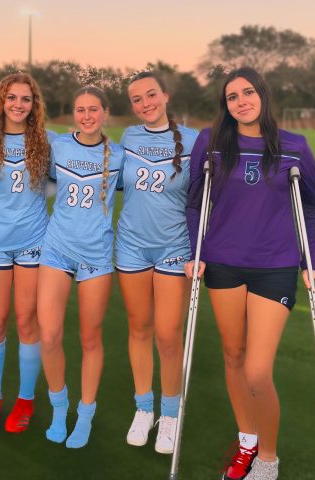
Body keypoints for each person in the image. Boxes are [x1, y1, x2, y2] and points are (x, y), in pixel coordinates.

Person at [185, 67, 315, 480]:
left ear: (262, 95)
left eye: (248, 92)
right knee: (233, 355)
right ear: (225, 106)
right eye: (232, 97)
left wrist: (310, 263)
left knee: (258, 370)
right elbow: (195, 202)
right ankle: (246, 442)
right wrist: (197, 251)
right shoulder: (211, 143)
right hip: (223, 262)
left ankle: (268, 458)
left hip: (275, 266)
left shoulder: (295, 147)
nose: (241, 101)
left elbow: (311, 209)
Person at [37, 86, 125, 449]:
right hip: (57, 250)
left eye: (93, 109)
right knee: (49, 335)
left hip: (97, 256)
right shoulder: (58, 147)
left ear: (105, 113)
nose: (86, 115)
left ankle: (85, 413)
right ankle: (60, 406)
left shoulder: (119, 155)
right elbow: (45, 189)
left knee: (90, 338)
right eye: (80, 109)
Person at [115, 71, 198, 454]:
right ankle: (143, 408)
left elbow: (205, 200)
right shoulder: (128, 138)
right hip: (131, 246)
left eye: (151, 95)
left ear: (165, 95)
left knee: (168, 335)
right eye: (137, 99)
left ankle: (170, 415)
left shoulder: (194, 141)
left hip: (174, 249)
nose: (145, 104)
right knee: (139, 328)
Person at [0, 72, 55, 435]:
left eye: (26, 99)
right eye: (12, 98)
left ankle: (24, 400)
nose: (18, 105)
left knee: (27, 321)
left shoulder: (48, 142)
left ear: (34, 104)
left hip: (33, 240)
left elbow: (58, 182)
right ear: (1, 102)